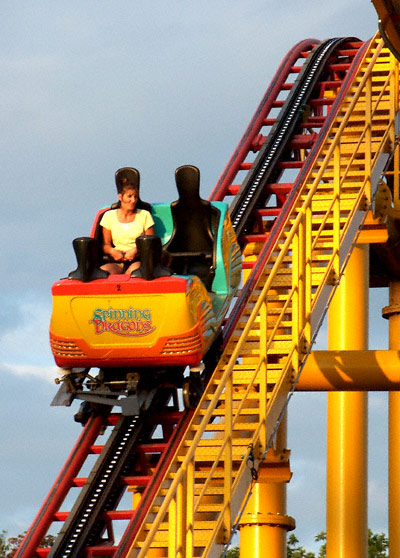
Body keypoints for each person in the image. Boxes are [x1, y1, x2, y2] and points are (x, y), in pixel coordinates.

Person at [100, 169, 155, 274]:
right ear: (120, 197)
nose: (133, 200)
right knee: (103, 273)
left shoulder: (144, 215)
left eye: (135, 197)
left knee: (133, 273)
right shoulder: (109, 216)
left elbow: (150, 242)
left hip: (138, 259)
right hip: (117, 260)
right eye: (129, 196)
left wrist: (135, 250)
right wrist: (113, 251)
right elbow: (106, 245)